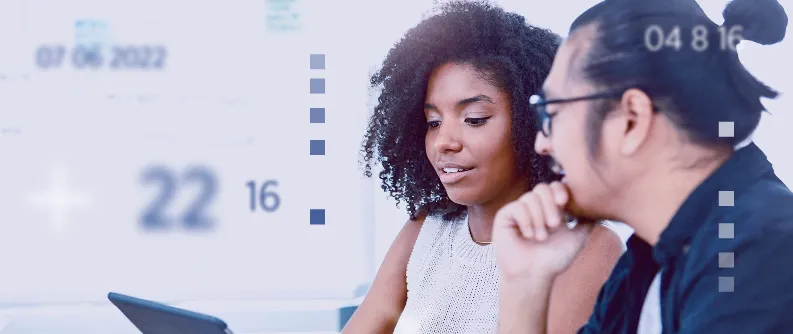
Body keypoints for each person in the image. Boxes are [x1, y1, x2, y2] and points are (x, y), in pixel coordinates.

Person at [493, 0, 792, 332]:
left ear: (631, 120)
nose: (541, 143)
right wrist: (524, 282)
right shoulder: (644, 263)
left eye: (551, 112)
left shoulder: (756, 253)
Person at [344, 2, 624, 333]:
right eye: (432, 122)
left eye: (474, 119)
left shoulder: (586, 247)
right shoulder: (425, 230)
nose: (443, 141)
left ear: (530, 123)